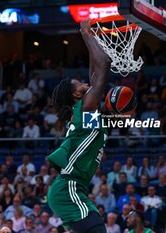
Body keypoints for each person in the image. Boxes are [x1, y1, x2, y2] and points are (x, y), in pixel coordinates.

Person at [46, 20, 110, 233]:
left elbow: (95, 72)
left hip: (72, 187)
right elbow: (104, 64)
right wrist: (85, 33)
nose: (86, 84)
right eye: (81, 84)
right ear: (76, 94)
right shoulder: (85, 108)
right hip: (68, 187)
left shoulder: (86, 113)